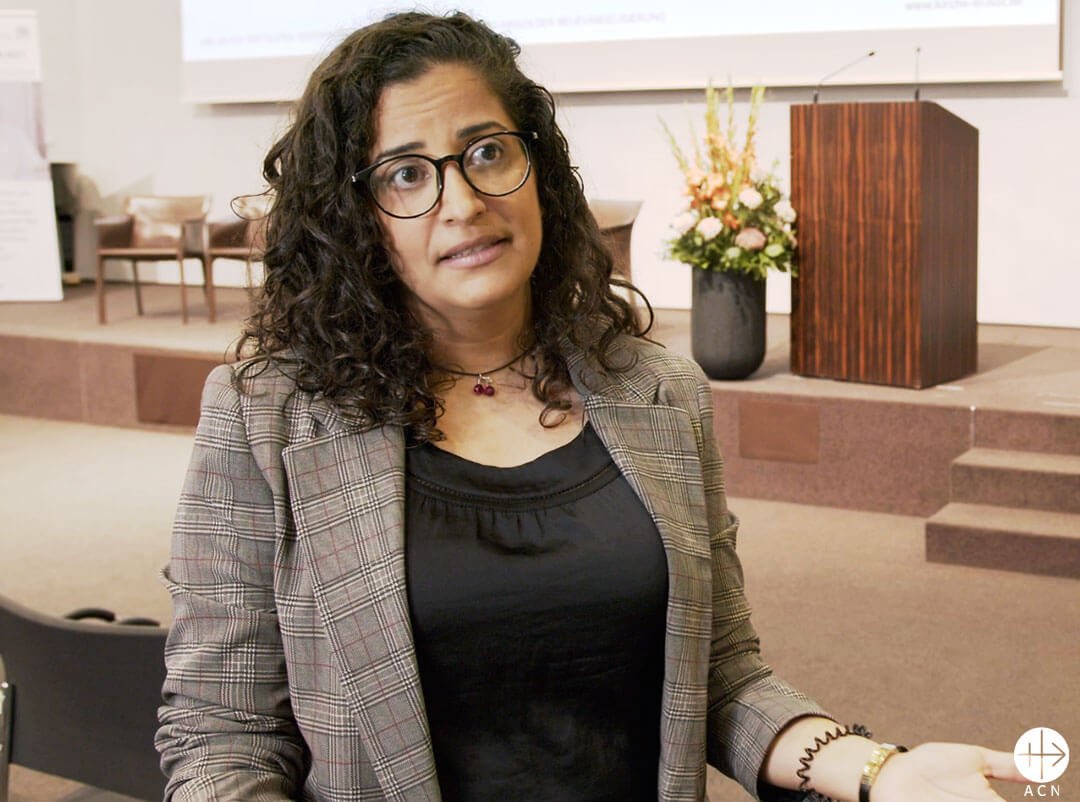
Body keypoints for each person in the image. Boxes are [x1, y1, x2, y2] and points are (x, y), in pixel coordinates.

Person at [156, 11, 1026, 802]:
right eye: (406, 174)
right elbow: (221, 737)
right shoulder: (269, 416)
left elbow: (719, 677)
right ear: (356, 218)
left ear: (538, 165)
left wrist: (881, 771)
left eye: (488, 151)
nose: (463, 202)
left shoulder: (656, 392)